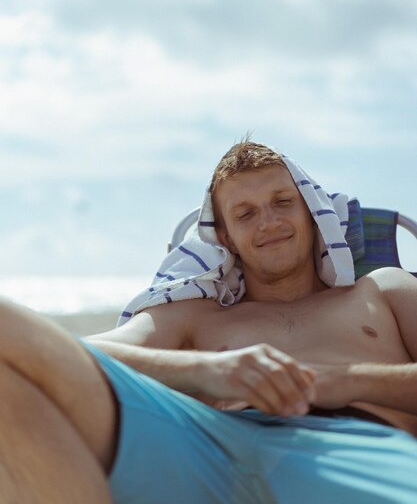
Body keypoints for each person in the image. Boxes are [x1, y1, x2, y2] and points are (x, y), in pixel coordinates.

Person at [2, 140, 417, 503]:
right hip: (212, 446)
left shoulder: (381, 290)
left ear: (313, 212)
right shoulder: (197, 315)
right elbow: (78, 353)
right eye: (245, 213)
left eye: (283, 202)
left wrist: (346, 381)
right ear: (225, 236)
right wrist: (210, 370)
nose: (269, 222)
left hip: (359, 446)